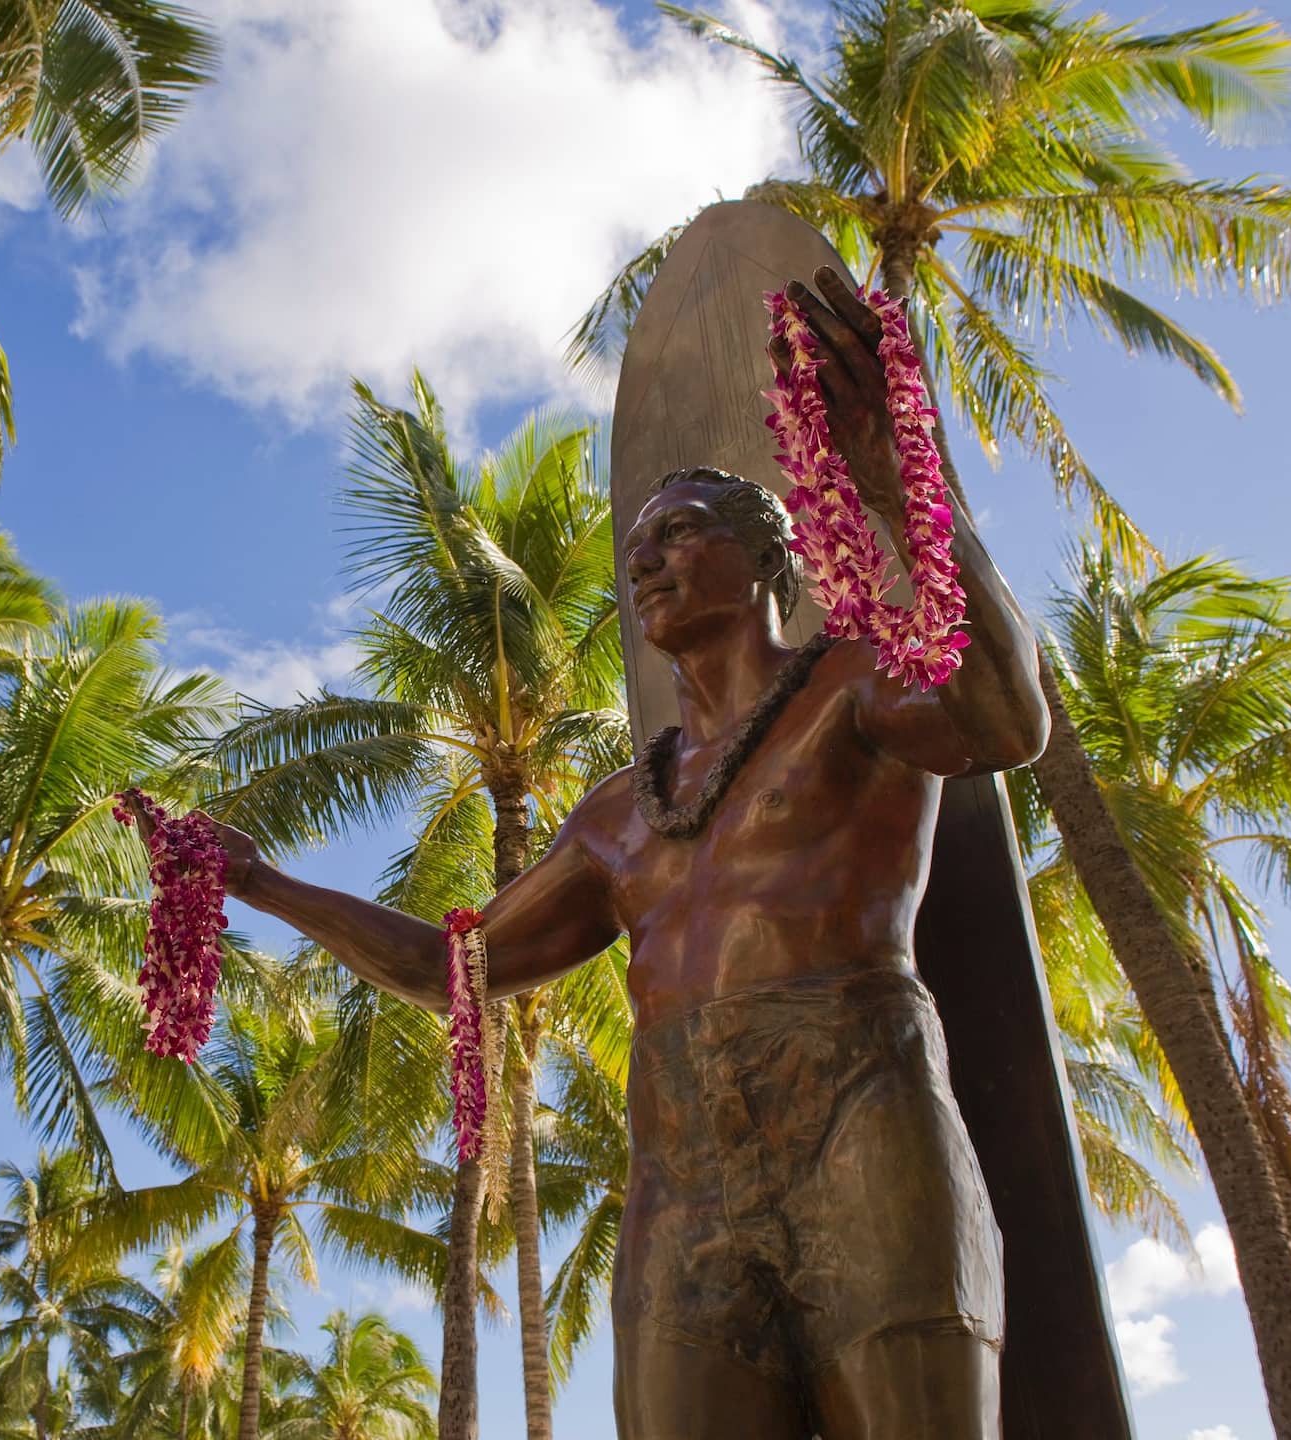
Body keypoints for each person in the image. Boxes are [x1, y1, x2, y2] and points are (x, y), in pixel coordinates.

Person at [121, 269, 1050, 1438]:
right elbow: (447, 970)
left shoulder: (856, 687)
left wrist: (892, 483)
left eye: (683, 535)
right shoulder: (619, 813)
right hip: (685, 1180)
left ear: (772, 563)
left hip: (859, 1116)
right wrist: (256, 882)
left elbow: (1007, 721)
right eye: (639, 546)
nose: (647, 561)